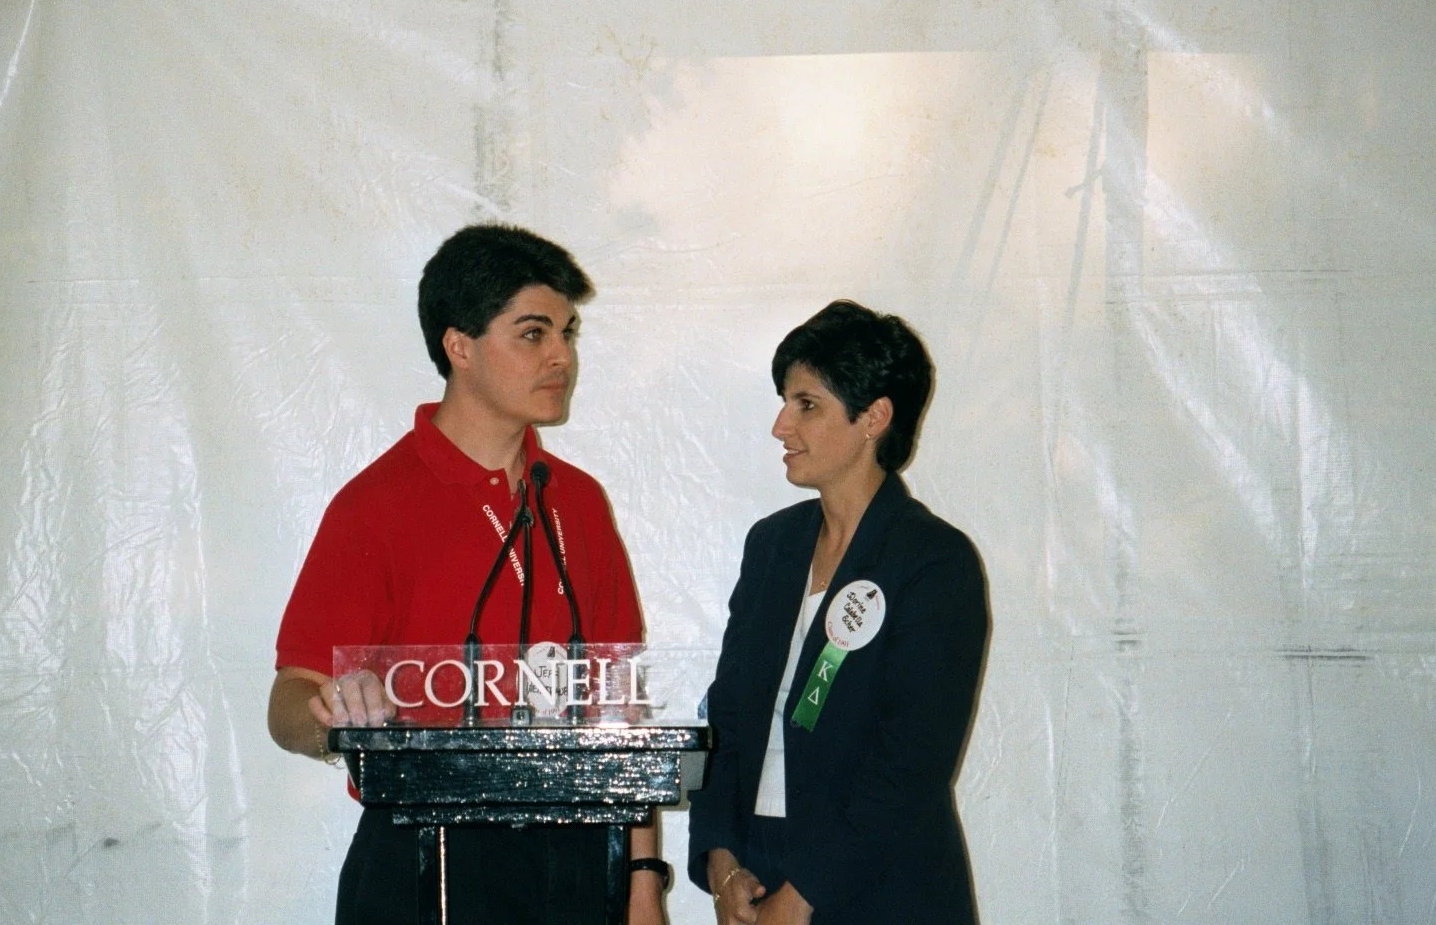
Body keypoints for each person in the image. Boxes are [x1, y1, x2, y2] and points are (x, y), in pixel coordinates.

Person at [267, 224, 669, 925]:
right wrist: (332, 713)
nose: (561, 358)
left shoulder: (577, 502)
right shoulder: (376, 504)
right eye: (533, 333)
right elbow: (287, 704)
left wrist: (641, 883)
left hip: (575, 856)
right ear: (459, 346)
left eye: (568, 334)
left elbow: (619, 710)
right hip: (423, 856)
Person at [688, 301, 988, 925]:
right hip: (758, 871)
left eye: (806, 404)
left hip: (881, 887)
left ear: (874, 417)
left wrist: (803, 898)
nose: (780, 425)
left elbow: (910, 764)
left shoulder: (932, 561)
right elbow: (728, 715)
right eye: (784, 401)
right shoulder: (771, 546)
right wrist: (720, 860)